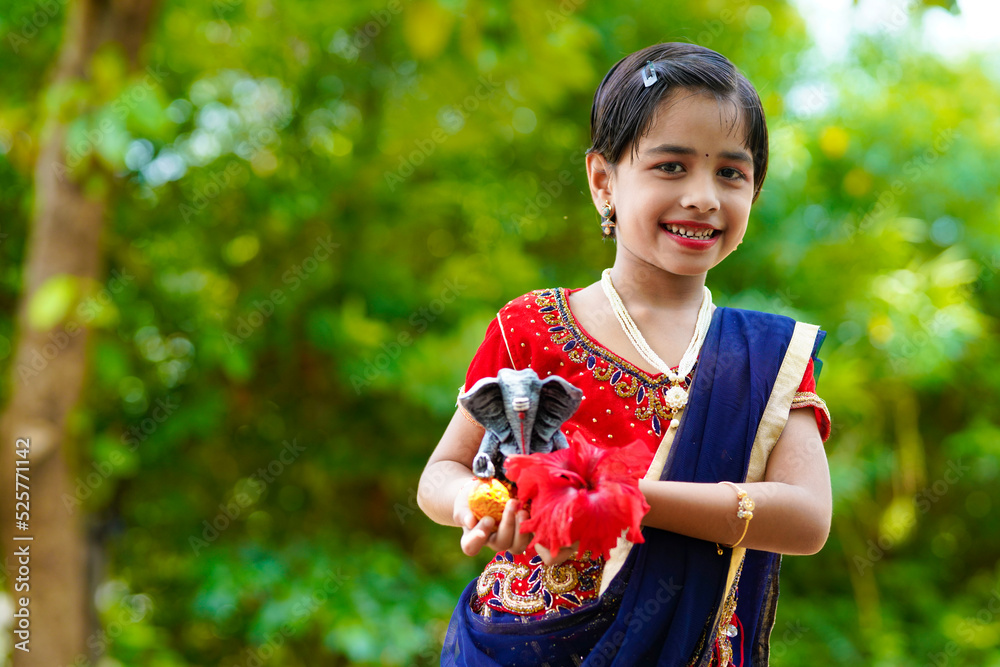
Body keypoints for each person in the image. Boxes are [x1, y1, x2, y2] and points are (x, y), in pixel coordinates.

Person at [417, 42, 833, 667]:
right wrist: (485, 506)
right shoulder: (534, 325)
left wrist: (626, 497)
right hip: (527, 643)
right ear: (603, 181)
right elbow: (439, 476)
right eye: (671, 166)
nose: (703, 197)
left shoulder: (766, 356)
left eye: (731, 173)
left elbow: (806, 518)